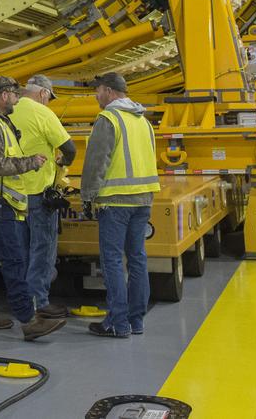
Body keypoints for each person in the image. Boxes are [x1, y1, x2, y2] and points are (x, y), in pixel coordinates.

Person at [0, 75, 64, 341]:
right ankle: (29, 321)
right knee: (14, 260)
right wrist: (29, 163)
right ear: (4, 95)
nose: (18, 100)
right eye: (15, 95)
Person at [80, 72, 159, 338]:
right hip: (143, 199)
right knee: (137, 259)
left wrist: (88, 196)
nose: (96, 95)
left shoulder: (108, 119)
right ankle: (136, 321)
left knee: (113, 260)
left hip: (115, 201)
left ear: (110, 92)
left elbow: (96, 162)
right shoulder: (143, 121)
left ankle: (117, 323)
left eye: (98, 90)